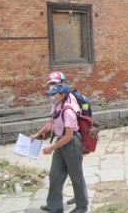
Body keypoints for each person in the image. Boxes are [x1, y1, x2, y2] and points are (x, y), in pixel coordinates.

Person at [36, 83, 88, 213]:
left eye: (53, 94)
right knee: (55, 174)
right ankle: (54, 205)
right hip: (61, 141)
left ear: (62, 95)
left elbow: (69, 135)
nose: (51, 97)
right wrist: (37, 134)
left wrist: (52, 147)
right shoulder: (57, 107)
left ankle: (82, 206)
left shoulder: (68, 111)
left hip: (71, 142)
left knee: (75, 175)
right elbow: (52, 122)